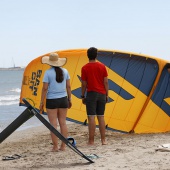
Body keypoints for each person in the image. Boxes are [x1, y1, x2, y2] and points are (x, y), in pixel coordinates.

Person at [39, 53, 72, 152]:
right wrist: (70, 99)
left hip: (52, 100)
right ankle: (63, 146)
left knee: (53, 124)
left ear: (50, 62)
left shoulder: (48, 73)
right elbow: (68, 87)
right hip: (63, 99)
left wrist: (41, 102)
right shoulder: (65, 71)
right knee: (63, 123)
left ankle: (55, 147)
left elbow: (45, 88)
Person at [81, 47, 109, 145]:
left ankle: (91, 141)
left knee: (91, 117)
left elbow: (84, 84)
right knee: (101, 116)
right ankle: (103, 140)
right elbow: (105, 82)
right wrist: (107, 94)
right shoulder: (102, 66)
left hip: (91, 94)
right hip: (102, 93)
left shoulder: (84, 68)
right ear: (96, 55)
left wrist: (82, 96)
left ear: (87, 55)